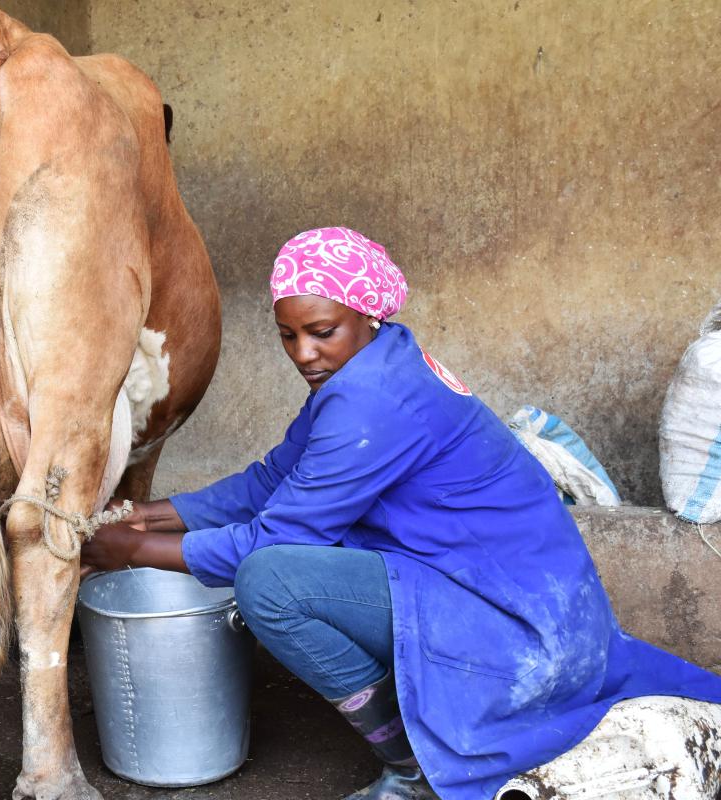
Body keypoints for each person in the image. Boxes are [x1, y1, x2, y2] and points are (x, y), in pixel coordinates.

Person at [80, 226, 721, 800]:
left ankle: (414, 767)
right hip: (505, 590)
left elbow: (274, 537)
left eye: (321, 332)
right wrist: (141, 512)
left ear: (367, 316)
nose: (304, 353)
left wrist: (129, 551)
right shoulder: (377, 365)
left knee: (269, 583)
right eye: (288, 335)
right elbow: (271, 480)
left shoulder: (372, 402)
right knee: (287, 558)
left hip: (515, 622)